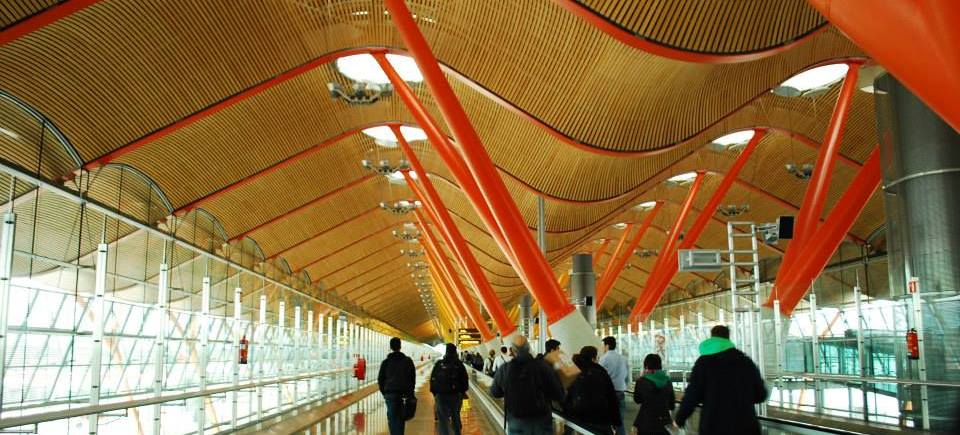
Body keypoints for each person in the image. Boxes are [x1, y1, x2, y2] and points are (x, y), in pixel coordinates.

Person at [675, 325, 767, 435]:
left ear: (712, 337)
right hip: (746, 426)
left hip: (714, 426)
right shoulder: (746, 362)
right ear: (728, 338)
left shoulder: (704, 363)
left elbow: (692, 395)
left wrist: (680, 418)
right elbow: (761, 395)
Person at [491, 335, 565, 434]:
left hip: (516, 422)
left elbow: (495, 393)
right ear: (529, 348)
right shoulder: (543, 367)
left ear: (513, 350)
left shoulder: (504, 369)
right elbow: (558, 394)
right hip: (541, 421)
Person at [562, 346, 621, 434]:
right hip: (600, 420)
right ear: (593, 359)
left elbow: (568, 397)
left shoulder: (573, 373)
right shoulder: (601, 373)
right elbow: (611, 398)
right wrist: (616, 421)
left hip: (577, 420)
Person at [378, 337, 416, 435]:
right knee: (401, 418)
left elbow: (380, 379)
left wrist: (385, 393)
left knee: (392, 418)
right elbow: (412, 378)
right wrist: (410, 393)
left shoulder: (386, 362)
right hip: (403, 394)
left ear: (391, 347)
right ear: (400, 346)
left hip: (390, 394)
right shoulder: (408, 361)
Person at [431, 343, 469, 435]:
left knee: (443, 420)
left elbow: (432, 380)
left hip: (441, 396)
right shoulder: (459, 364)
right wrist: (462, 392)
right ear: (455, 352)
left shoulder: (439, 364)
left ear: (446, 352)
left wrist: (436, 394)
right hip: (456, 396)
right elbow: (465, 381)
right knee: (455, 416)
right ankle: (457, 432)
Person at [632, 354, 675, 435]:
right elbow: (671, 405)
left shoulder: (642, 381)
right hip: (664, 424)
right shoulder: (668, 381)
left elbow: (637, 400)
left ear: (646, 367)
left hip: (646, 424)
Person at [599, 336, 631, 435]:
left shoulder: (603, 359)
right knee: (620, 422)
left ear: (607, 346)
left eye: (603, 345)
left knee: (606, 421)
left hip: (608, 394)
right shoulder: (623, 359)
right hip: (620, 392)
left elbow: (600, 376)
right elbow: (627, 377)